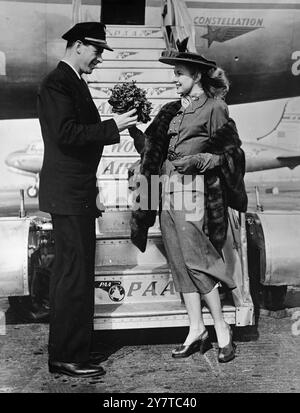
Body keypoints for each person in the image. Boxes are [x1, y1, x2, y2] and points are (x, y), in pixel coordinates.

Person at [128, 45, 247, 363]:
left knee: (198, 261)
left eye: (178, 73)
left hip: (193, 193)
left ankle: (222, 330)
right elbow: (150, 150)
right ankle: (196, 329)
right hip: (165, 193)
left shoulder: (214, 108)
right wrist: (132, 129)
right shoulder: (168, 110)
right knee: (180, 264)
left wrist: (201, 159)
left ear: (196, 75)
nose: (174, 78)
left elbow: (233, 155)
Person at [37, 22, 137, 378]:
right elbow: (66, 135)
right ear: (78, 45)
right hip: (67, 195)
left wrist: (91, 193)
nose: (99, 58)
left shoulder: (73, 81)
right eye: (96, 50)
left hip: (76, 193)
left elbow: (79, 142)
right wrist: (116, 126)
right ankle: (66, 355)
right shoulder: (58, 83)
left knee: (76, 274)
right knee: (73, 276)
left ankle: (74, 348)